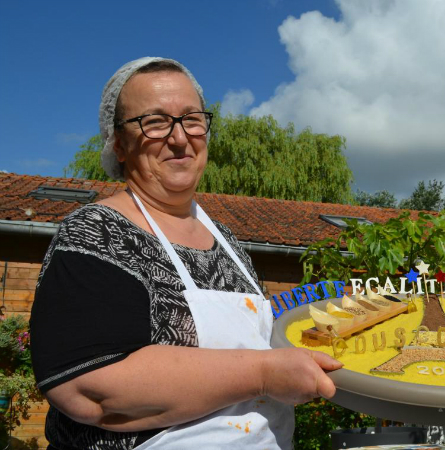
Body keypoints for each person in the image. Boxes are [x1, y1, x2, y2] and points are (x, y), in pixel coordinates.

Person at [30, 57, 341, 449]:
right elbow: (87, 386)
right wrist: (263, 374)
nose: (180, 138)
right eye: (155, 122)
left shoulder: (228, 243)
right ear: (119, 144)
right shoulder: (97, 232)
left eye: (191, 119)